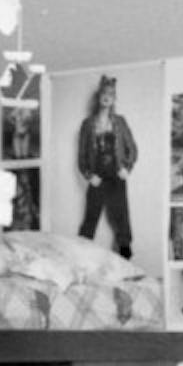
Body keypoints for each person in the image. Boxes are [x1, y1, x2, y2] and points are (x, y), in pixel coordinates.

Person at [77, 75, 137, 258]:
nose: (107, 97)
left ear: (114, 99)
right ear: (99, 97)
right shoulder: (87, 124)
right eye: (104, 93)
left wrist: (127, 168)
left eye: (111, 94)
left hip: (116, 175)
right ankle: (82, 255)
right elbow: (81, 155)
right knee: (91, 217)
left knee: (121, 215)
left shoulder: (120, 122)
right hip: (98, 177)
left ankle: (125, 253)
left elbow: (132, 148)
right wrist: (88, 175)